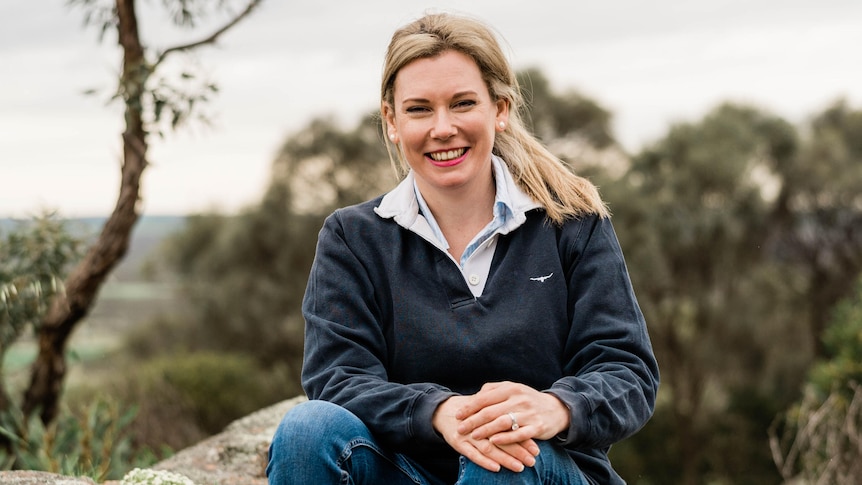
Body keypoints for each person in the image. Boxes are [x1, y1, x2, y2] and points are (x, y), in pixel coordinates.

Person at [266, 11, 659, 485]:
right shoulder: (352, 238)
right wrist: (439, 412)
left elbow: (627, 372)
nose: (443, 127)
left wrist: (556, 407)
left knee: (499, 455)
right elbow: (338, 380)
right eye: (419, 109)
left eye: (462, 103)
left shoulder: (572, 223)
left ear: (500, 109)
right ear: (391, 121)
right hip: (408, 470)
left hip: (544, 470)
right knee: (307, 429)